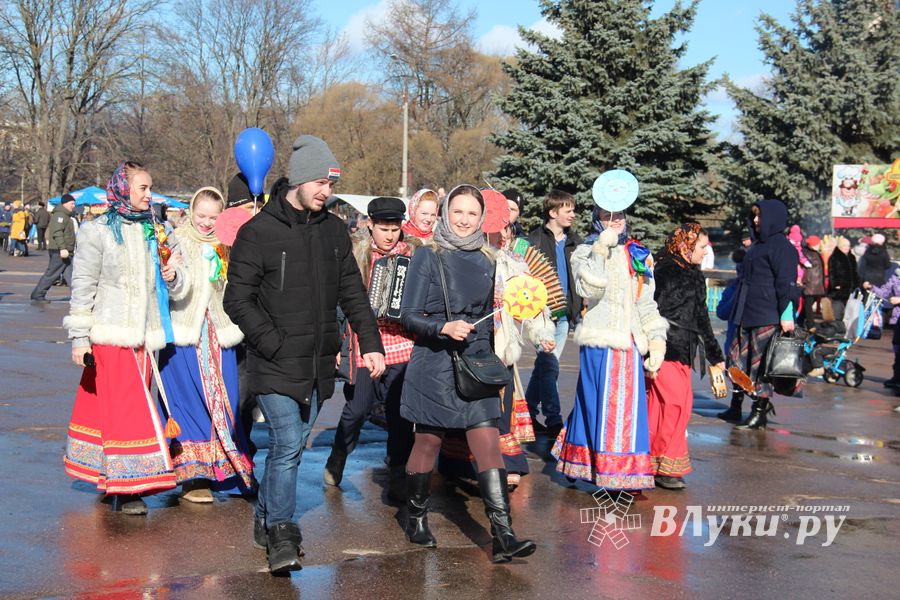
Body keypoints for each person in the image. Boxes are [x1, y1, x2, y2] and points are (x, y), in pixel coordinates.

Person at [223, 135, 385, 574]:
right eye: (319, 182)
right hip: (273, 361)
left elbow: (353, 293)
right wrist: (270, 341)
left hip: (319, 365)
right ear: (297, 180)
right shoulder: (257, 233)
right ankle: (283, 533)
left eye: (330, 185)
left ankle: (265, 516)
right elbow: (236, 300)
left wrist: (371, 345)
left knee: (289, 451)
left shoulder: (334, 231)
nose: (326, 192)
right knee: (288, 443)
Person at [399, 185, 536, 563]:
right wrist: (443, 328)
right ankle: (416, 516)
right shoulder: (428, 255)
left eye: (471, 214)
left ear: (481, 218)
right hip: (435, 361)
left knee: (488, 440)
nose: (463, 220)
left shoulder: (489, 259)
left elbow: (489, 316)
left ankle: (504, 535)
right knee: (428, 442)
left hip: (476, 363)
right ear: (445, 214)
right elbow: (408, 316)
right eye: (457, 212)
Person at [63, 161, 180, 515]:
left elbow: (178, 277)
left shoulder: (158, 229)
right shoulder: (97, 231)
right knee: (127, 410)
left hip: (146, 338)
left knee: (123, 409)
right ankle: (129, 488)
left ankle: (112, 477)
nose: (149, 194)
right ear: (123, 188)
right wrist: (80, 337)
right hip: (111, 334)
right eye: (143, 188)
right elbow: (83, 285)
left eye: (150, 188)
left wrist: (173, 275)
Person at [437, 190, 555, 492]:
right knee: (463, 400)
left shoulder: (511, 262)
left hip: (499, 345)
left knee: (497, 404)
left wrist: (541, 333)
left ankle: (503, 462)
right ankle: (460, 461)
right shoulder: (454, 255)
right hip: (463, 339)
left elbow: (529, 301)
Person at [551, 200, 666, 493]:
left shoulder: (638, 253)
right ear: (597, 219)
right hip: (600, 338)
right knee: (595, 403)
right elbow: (589, 289)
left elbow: (646, 300)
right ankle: (602, 468)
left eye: (619, 215)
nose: (614, 221)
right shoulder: (584, 252)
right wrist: (600, 251)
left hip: (629, 340)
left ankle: (612, 472)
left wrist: (655, 338)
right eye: (607, 215)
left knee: (623, 407)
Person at [158, 187, 254, 502]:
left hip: (219, 331)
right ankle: (193, 476)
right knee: (187, 401)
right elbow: (175, 284)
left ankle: (225, 468)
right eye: (201, 215)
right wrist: (173, 277)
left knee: (225, 401)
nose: (206, 222)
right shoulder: (177, 239)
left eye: (213, 217)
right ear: (191, 211)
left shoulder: (228, 243)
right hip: (186, 333)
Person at [323, 197, 418, 502]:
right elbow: (339, 302)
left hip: (402, 347)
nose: (390, 236)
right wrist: (338, 342)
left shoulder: (414, 256)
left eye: (395, 229)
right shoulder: (356, 256)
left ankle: (398, 471)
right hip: (364, 345)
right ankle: (338, 456)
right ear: (370, 226)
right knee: (357, 409)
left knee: (400, 414)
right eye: (383, 229)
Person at [646, 224, 724, 490]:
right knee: (675, 405)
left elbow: (702, 317)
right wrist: (650, 349)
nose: (706, 252)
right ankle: (663, 464)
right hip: (663, 348)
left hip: (684, 351)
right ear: (684, 246)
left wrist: (715, 355)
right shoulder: (663, 270)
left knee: (669, 406)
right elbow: (648, 310)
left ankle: (655, 463)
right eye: (702, 247)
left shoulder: (694, 274)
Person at [728, 200, 799, 430]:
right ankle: (735, 404)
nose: (756, 220)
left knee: (760, 367)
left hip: (767, 315)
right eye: (754, 216)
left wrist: (787, 315)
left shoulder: (783, 247)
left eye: (760, 216)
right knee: (736, 360)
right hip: (745, 312)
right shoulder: (757, 245)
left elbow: (786, 284)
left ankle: (759, 411)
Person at [525, 190, 583, 438]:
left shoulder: (575, 242)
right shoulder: (534, 240)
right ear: (553, 212)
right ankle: (553, 418)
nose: (573, 214)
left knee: (544, 366)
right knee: (549, 366)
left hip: (565, 314)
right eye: (567, 209)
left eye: (573, 209)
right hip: (542, 316)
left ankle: (527, 412)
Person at [30, 194, 77, 302]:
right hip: (59, 251)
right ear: (65, 203)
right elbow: (57, 232)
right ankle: (38, 295)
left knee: (71, 275)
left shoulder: (65, 215)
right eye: (72, 203)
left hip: (65, 251)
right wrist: (62, 248)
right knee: (52, 274)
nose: (73, 206)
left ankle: (78, 296)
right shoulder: (60, 215)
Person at [864, 270, 900, 388]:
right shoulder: (896, 276)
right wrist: (872, 288)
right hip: (897, 318)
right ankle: (897, 377)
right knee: (897, 347)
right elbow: (884, 292)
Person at [827, 237, 858, 321]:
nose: (847, 248)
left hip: (850, 288)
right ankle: (837, 325)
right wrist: (835, 284)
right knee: (837, 309)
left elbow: (855, 272)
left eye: (848, 246)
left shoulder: (852, 257)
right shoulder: (834, 257)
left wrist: (856, 284)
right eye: (844, 246)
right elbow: (832, 272)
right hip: (839, 288)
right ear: (840, 246)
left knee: (848, 310)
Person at [801, 235, 826, 330]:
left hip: (815, 283)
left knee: (809, 304)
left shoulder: (813, 253)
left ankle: (803, 321)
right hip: (811, 283)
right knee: (808, 304)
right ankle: (810, 324)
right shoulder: (808, 253)